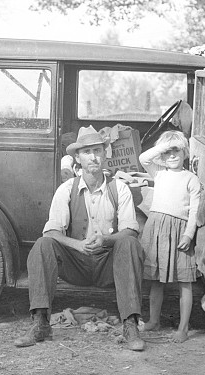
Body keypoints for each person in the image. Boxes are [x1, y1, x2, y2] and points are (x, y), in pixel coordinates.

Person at [15, 125, 147, 351]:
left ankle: (130, 324)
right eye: (87, 152)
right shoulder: (66, 189)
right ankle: (40, 323)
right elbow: (52, 231)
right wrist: (76, 244)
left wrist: (106, 240)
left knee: (130, 243)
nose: (93, 157)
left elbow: (131, 229)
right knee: (42, 245)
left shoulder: (120, 189)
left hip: (108, 263)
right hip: (75, 263)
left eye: (97, 150)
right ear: (78, 157)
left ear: (105, 154)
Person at [138, 131, 204, 342]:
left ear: (185, 152)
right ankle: (154, 320)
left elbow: (194, 211)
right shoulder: (159, 172)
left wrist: (188, 234)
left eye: (177, 150)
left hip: (179, 231)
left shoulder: (191, 179)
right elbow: (143, 158)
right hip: (156, 227)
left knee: (185, 281)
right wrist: (165, 146)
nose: (172, 155)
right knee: (156, 279)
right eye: (168, 152)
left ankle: (183, 328)